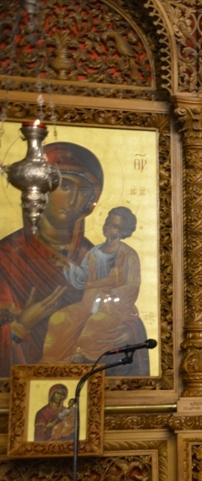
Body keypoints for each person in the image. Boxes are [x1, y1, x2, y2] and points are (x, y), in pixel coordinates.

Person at [0, 143, 103, 377]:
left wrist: (124, 330)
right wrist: (20, 326)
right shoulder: (6, 256)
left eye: (83, 191)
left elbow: (122, 317)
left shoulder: (96, 258)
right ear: (40, 190)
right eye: (64, 186)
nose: (73, 199)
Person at [41, 207, 149, 372]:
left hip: (114, 307)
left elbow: (133, 284)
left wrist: (112, 293)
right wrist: (66, 265)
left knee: (95, 321)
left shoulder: (129, 255)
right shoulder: (94, 252)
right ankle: (52, 360)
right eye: (107, 223)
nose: (108, 228)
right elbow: (83, 278)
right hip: (88, 303)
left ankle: (81, 352)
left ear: (122, 231)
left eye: (114, 226)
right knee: (59, 318)